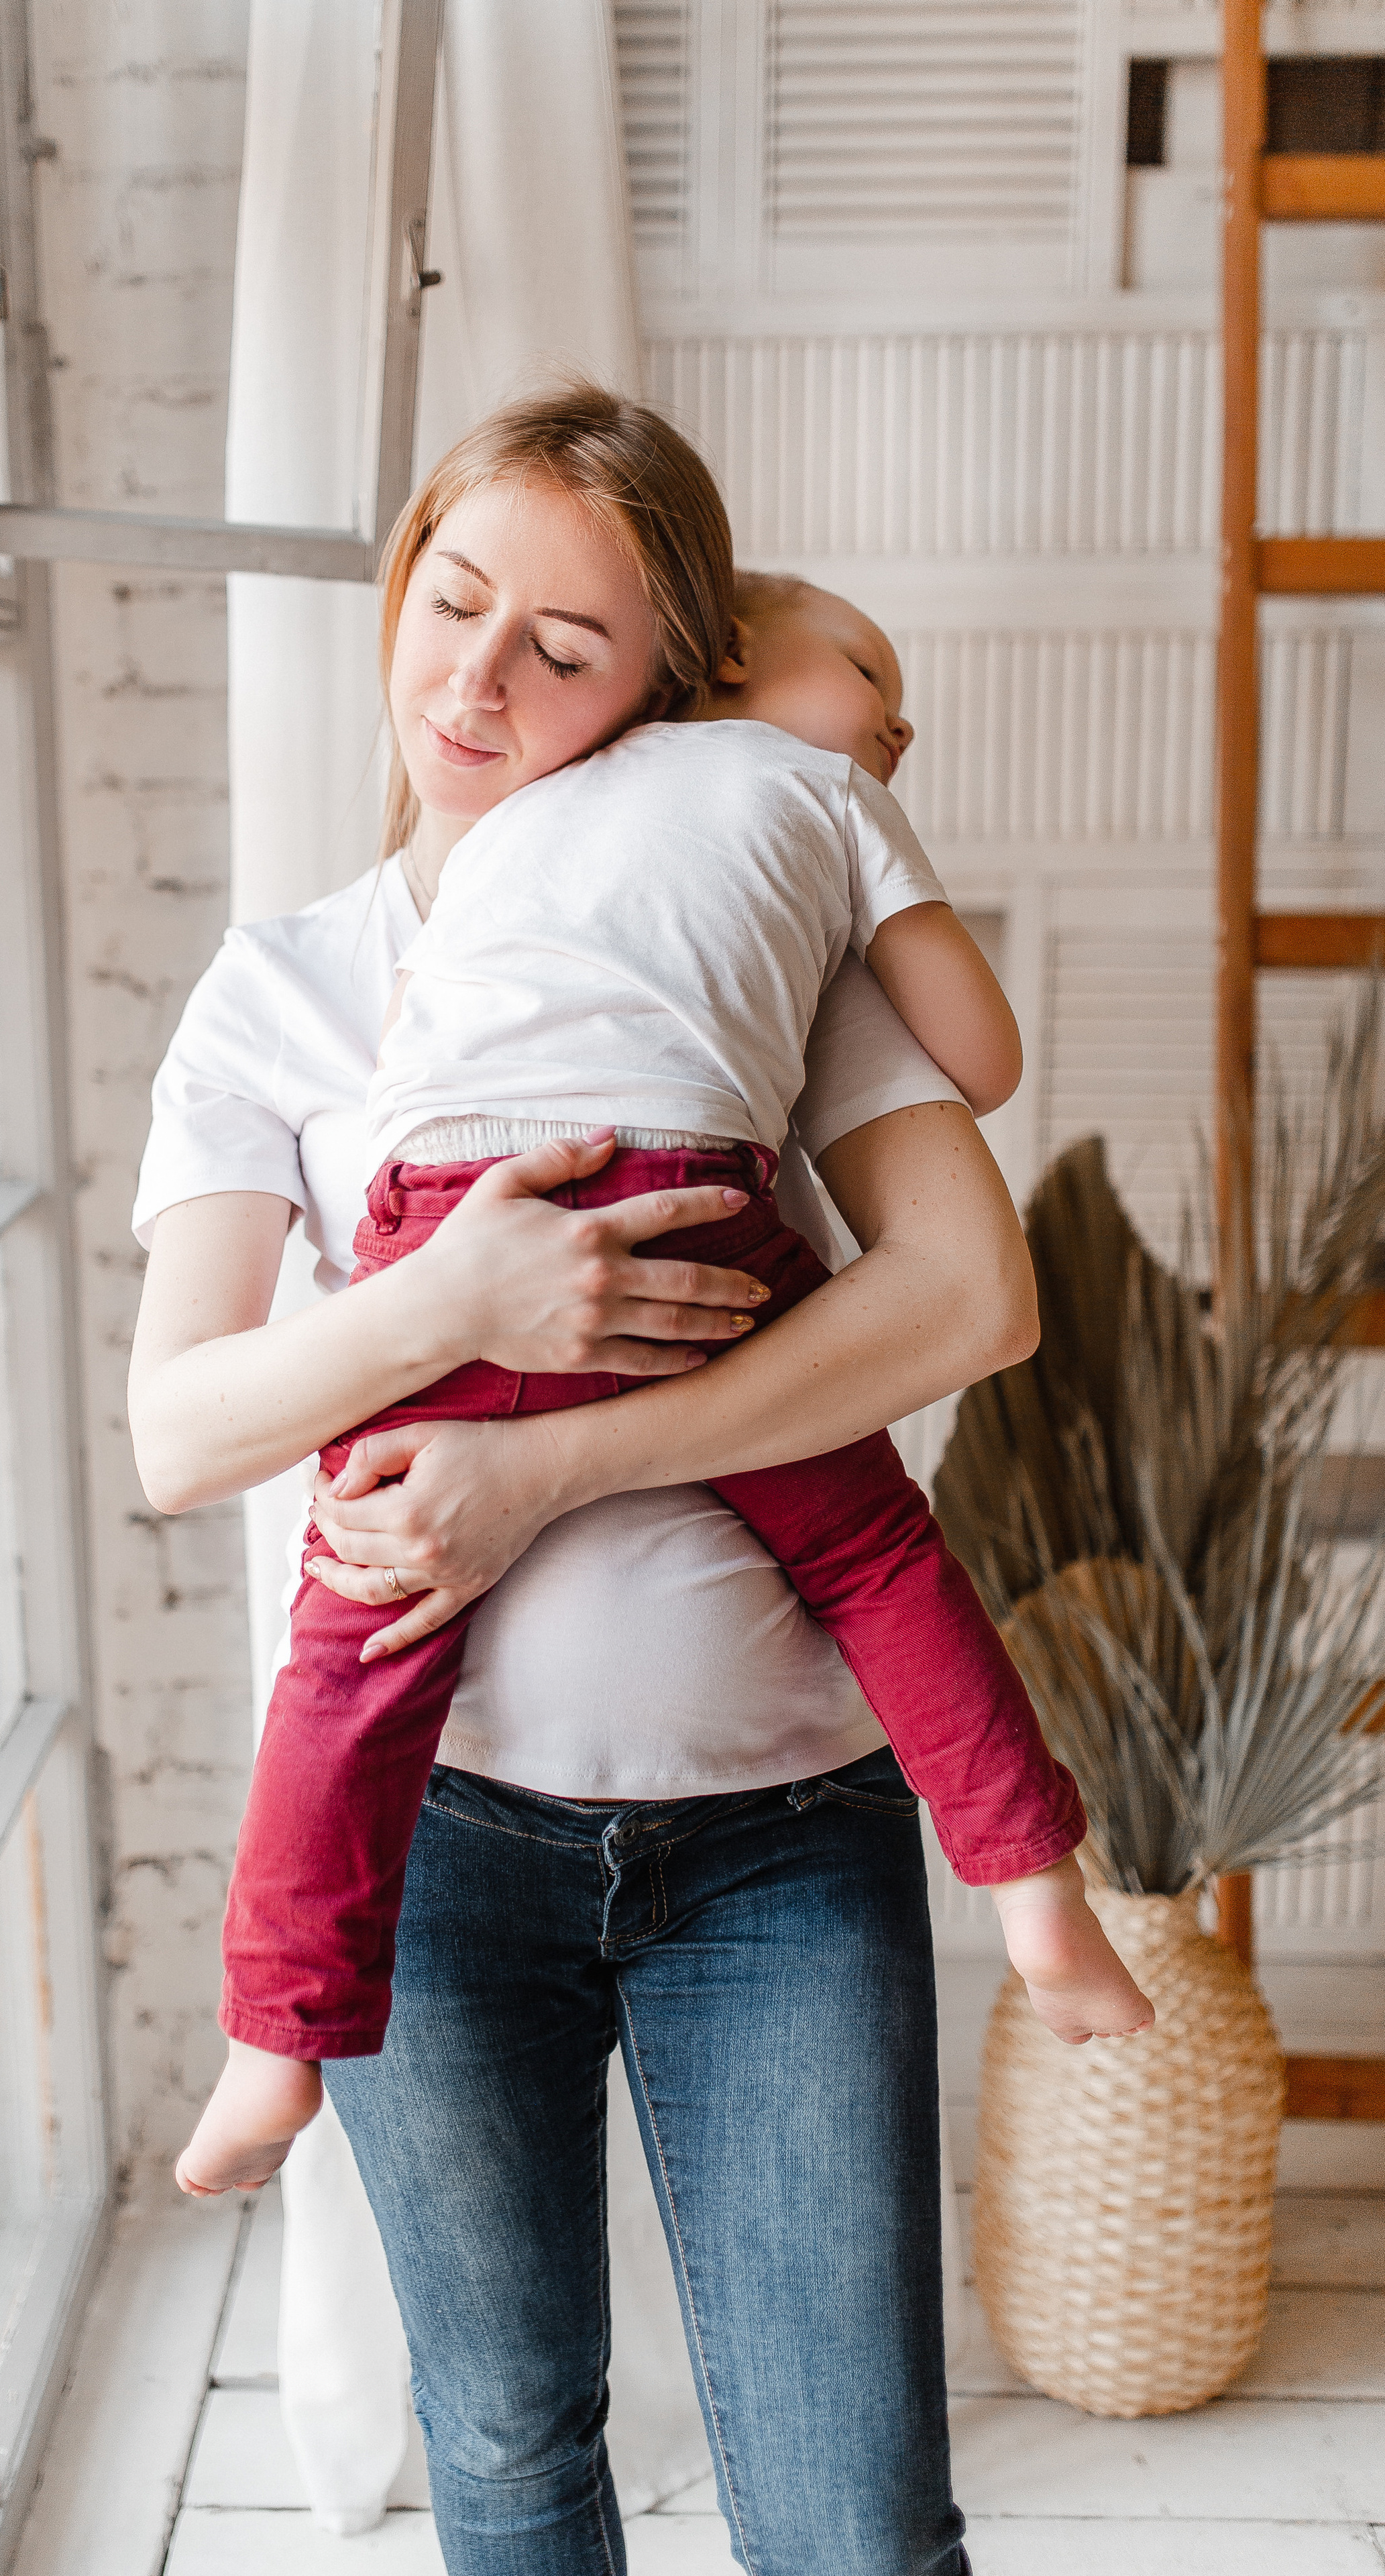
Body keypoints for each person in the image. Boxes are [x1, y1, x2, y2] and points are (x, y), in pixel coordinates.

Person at [131, 385, 1038, 2573]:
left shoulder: (753, 933)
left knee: (855, 2518)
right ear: (396, 596)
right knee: (515, 2450)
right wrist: (462, 1304)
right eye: (455, 604)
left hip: (780, 1843)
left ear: (670, 683)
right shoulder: (278, 998)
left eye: (568, 646)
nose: (481, 677)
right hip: (432, 1851)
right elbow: (183, 1430)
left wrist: (564, 1467)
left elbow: (966, 1304)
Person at [188, 564, 1154, 2177]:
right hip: (686, 1205)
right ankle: (1039, 1900)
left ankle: (272, 2048)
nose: (893, 720)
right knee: (869, 1547)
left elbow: (432, 1029)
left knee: (346, 1648)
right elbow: (982, 1061)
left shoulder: (509, 824)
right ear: (711, 660)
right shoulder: (814, 796)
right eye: (864, 668)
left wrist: (445, 1289)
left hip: (447, 1211)